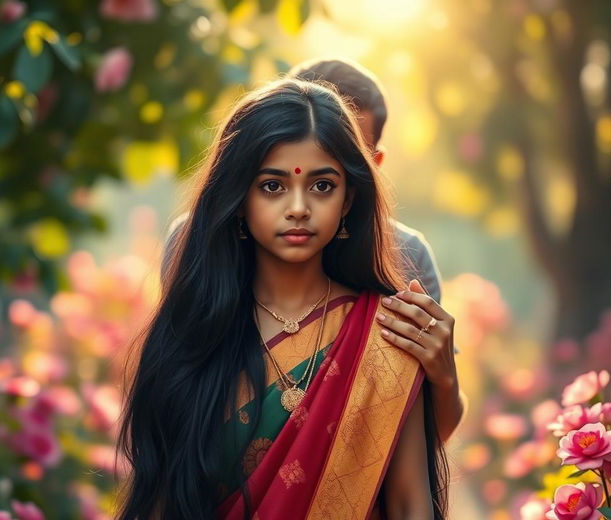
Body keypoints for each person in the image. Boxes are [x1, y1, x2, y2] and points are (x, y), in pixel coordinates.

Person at [108, 78, 454, 520]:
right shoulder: (193, 335)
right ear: (238, 201)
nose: (298, 207)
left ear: (349, 202)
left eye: (322, 185)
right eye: (272, 186)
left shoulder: (384, 332)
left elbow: (413, 511)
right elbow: (161, 507)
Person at [161, 58, 465, 445]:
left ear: (370, 169)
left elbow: (420, 445)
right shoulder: (198, 242)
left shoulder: (406, 254)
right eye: (274, 182)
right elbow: (174, 406)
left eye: (328, 177)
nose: (299, 208)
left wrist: (444, 378)